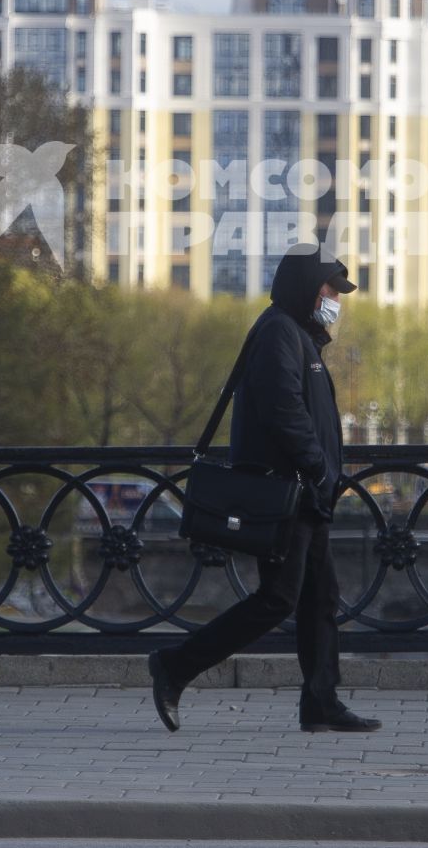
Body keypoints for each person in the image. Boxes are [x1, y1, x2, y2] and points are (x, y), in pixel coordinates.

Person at [147, 246, 381, 734]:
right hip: (286, 492)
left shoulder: (298, 335)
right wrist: (318, 467)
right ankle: (175, 665)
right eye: (330, 289)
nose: (336, 299)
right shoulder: (279, 332)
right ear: (305, 287)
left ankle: (321, 701)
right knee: (278, 598)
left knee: (321, 598)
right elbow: (284, 411)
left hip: (306, 494)